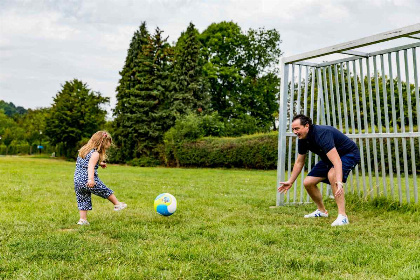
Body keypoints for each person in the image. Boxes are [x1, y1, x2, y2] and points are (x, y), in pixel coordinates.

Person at [278, 114, 360, 226]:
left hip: (348, 154)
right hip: (330, 157)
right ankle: (322, 211)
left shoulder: (322, 133)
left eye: (297, 128)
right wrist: (290, 181)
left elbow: (337, 161)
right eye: (293, 129)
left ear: (307, 126)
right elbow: (299, 162)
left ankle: (343, 217)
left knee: (332, 174)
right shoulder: (302, 138)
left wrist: (339, 182)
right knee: (308, 182)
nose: (295, 132)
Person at [74, 131, 127, 225]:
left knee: (83, 199)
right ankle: (117, 204)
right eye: (109, 142)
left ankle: (83, 220)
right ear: (102, 143)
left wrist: (100, 163)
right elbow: (90, 166)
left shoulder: (84, 150)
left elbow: (85, 162)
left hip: (78, 180)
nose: (110, 144)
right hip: (88, 180)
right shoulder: (95, 154)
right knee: (105, 190)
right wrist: (91, 179)